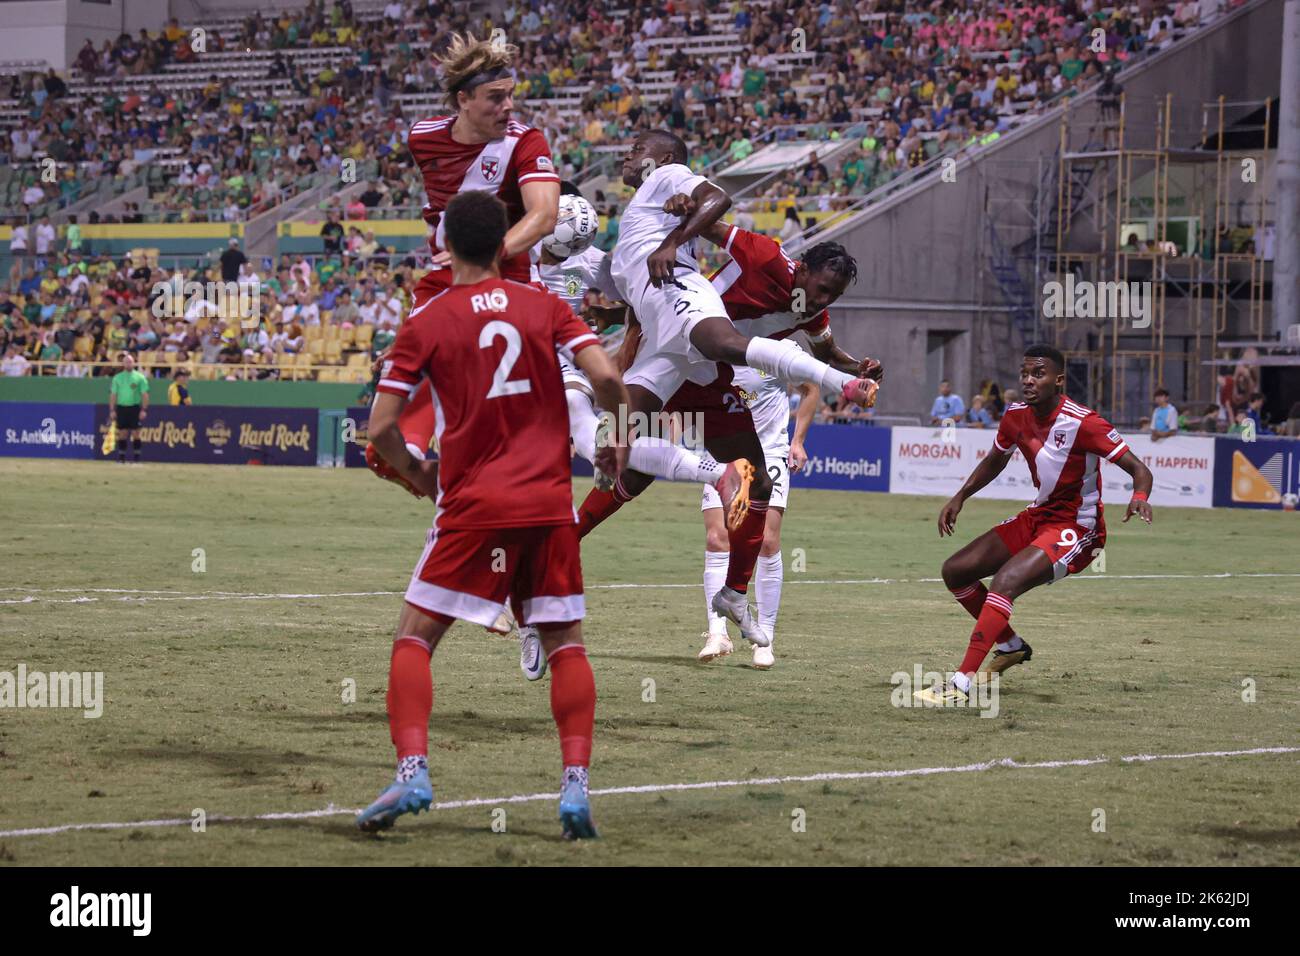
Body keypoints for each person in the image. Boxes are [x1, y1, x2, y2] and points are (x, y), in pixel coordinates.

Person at [355, 190, 629, 839]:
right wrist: (616, 440)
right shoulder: (547, 307)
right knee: (566, 646)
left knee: (413, 638)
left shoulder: (429, 318)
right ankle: (575, 790)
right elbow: (610, 381)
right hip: (548, 505)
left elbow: (381, 426)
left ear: (445, 244)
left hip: (476, 506)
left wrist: (418, 473)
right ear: (509, 240)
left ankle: (414, 771)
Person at [574, 130, 877, 647]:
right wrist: (683, 215)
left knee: (756, 480)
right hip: (681, 338)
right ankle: (564, 536)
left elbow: (824, 347)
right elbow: (713, 221)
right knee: (618, 444)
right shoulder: (765, 254)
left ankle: (735, 593)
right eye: (822, 287)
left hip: (708, 370)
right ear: (801, 268)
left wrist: (856, 365)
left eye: (833, 295)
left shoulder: (815, 310)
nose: (822, 300)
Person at [366, 32, 561, 482]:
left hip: (509, 276)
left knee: (512, 410)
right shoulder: (422, 138)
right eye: (495, 97)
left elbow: (545, 215)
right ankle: (443, 483)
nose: (508, 106)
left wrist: (481, 260)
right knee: (384, 445)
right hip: (442, 281)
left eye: (511, 95)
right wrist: (413, 337)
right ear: (463, 100)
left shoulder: (525, 142)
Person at [919, 344, 1154, 704]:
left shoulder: (1084, 422)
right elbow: (995, 460)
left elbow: (1139, 469)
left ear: (1058, 380)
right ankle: (1011, 646)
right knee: (956, 570)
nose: (1028, 380)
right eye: (1024, 373)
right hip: (1038, 516)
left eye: (1038, 374)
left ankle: (960, 684)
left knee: (1005, 582)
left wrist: (1139, 498)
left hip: (1078, 528)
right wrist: (960, 496)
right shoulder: (1014, 415)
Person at [698, 375, 819, 668]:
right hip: (722, 452)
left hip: (770, 454)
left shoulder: (776, 349)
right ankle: (717, 634)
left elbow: (811, 388)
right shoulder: (714, 346)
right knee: (718, 538)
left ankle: (764, 637)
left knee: (766, 542)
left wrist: (798, 440)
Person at [108, 351, 150, 463]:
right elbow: (113, 395)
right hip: (122, 408)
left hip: (134, 408)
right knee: (122, 433)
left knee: (136, 433)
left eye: (130, 362)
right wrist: (112, 410)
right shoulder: (117, 378)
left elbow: (145, 395)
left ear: (134, 363)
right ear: (123, 364)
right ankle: (121, 458)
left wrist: (144, 409)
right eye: (126, 362)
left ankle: (137, 458)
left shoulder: (140, 378)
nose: (128, 364)